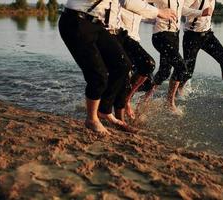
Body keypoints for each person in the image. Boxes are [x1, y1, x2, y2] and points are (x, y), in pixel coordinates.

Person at [58, 0, 176, 134]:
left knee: (123, 66)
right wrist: (159, 12)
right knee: (98, 75)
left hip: (97, 25)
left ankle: (104, 111)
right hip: (76, 22)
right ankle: (92, 119)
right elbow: (127, 2)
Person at [142, 0, 212, 115]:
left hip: (174, 36)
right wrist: (155, 14)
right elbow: (141, 3)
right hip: (161, 35)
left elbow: (182, 10)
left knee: (165, 71)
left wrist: (200, 13)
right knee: (181, 68)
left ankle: (145, 98)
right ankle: (169, 102)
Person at [179, 0, 223, 104]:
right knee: (188, 71)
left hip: (208, 35)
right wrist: (200, 12)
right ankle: (178, 89)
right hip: (192, 36)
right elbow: (181, 9)